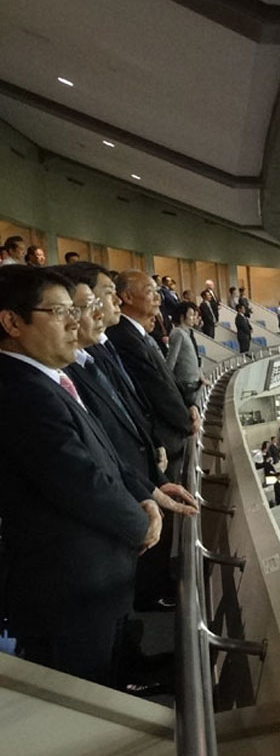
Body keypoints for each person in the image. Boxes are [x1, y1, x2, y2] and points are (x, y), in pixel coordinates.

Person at [0, 265, 160, 686]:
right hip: (66, 594)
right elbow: (79, 481)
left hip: (91, 585)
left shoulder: (50, 379)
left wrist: (145, 499)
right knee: (88, 699)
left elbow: (104, 458)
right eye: (59, 312)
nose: (75, 323)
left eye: (75, 311)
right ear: (12, 322)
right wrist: (142, 522)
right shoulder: (19, 391)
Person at [108, 269, 198, 479]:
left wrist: (189, 404)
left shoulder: (139, 334)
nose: (158, 298)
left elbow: (167, 376)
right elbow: (155, 388)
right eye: (150, 291)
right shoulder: (124, 337)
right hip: (164, 440)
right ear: (127, 297)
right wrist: (186, 422)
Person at [165, 301, 204, 408]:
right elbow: (171, 359)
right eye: (191, 315)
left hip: (193, 382)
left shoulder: (188, 333)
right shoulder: (178, 333)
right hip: (186, 384)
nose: (193, 318)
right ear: (182, 317)